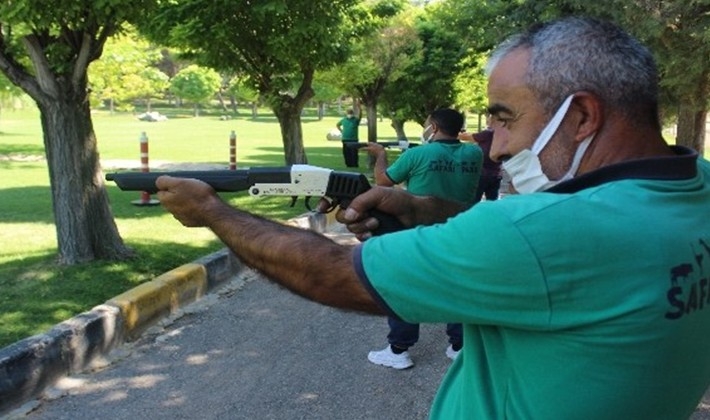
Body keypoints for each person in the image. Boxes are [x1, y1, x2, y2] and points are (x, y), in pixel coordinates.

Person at [155, 16, 710, 419]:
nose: (496, 148)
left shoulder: (541, 234)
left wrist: (211, 210)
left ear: (583, 114)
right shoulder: (696, 186)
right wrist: (425, 211)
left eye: (505, 119)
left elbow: (331, 273)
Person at [361, 108, 483, 369]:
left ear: (434, 128)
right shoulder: (474, 153)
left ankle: (398, 349)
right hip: (461, 230)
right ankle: (459, 345)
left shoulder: (416, 154)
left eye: (428, 124)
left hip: (419, 231)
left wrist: (381, 155)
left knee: (405, 285)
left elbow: (384, 182)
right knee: (456, 285)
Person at [459, 125, 502, 201]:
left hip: (482, 174)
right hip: (496, 174)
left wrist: (454, 134)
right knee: (492, 201)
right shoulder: (503, 135)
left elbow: (466, 137)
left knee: (474, 201)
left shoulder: (488, 134)